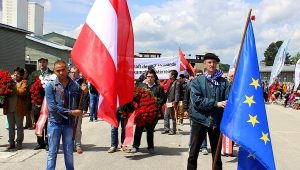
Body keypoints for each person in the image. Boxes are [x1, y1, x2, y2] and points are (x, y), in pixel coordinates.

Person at [187, 53, 230, 170]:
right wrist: (216, 104)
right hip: (199, 121)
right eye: (209, 62)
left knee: (216, 155)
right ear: (204, 64)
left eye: (214, 62)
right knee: (193, 153)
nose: (212, 64)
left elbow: (228, 100)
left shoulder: (224, 82)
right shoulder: (197, 82)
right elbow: (197, 101)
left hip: (216, 122)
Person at [45, 60, 82, 170]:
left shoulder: (75, 85)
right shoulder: (50, 86)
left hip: (69, 124)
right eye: (58, 70)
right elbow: (52, 108)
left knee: (69, 152)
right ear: (55, 71)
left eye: (63, 70)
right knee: (52, 152)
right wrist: (71, 112)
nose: (61, 72)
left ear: (67, 70)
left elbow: (81, 102)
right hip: (54, 123)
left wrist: (84, 92)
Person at [130, 69, 165, 154]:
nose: (150, 78)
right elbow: (136, 98)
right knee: (138, 130)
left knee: (150, 130)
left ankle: (150, 147)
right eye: (148, 76)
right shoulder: (141, 86)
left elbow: (163, 98)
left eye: (152, 77)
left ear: (154, 77)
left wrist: (156, 105)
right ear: (146, 77)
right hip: (141, 113)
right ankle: (135, 146)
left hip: (152, 114)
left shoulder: (158, 88)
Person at [29, 57, 53, 151]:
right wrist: (37, 85)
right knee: (38, 122)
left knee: (48, 123)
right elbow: (30, 85)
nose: (42, 64)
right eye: (40, 62)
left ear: (47, 63)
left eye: (43, 62)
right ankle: (40, 142)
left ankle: (47, 143)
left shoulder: (51, 74)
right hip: (38, 102)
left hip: (48, 102)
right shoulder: (35, 74)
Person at [4, 67, 28, 150]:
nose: (15, 75)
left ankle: (19, 143)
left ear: (21, 75)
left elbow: (22, 92)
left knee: (19, 126)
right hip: (9, 108)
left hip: (19, 108)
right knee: (10, 127)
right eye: (15, 73)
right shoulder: (8, 82)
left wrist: (13, 86)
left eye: (17, 73)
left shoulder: (23, 82)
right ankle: (11, 143)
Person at [69, 66, 88, 154]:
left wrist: (84, 108)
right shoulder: (67, 81)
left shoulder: (82, 81)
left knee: (77, 128)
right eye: (72, 72)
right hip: (68, 108)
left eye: (75, 72)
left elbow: (86, 96)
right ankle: (70, 144)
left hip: (78, 107)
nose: (73, 74)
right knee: (69, 128)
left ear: (78, 73)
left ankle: (78, 145)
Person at [162, 70, 180, 135]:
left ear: (172, 75)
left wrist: (175, 102)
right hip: (168, 101)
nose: (168, 75)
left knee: (173, 116)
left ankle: (173, 130)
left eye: (169, 74)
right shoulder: (171, 82)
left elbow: (177, 93)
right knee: (166, 115)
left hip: (172, 102)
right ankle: (166, 129)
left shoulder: (176, 83)